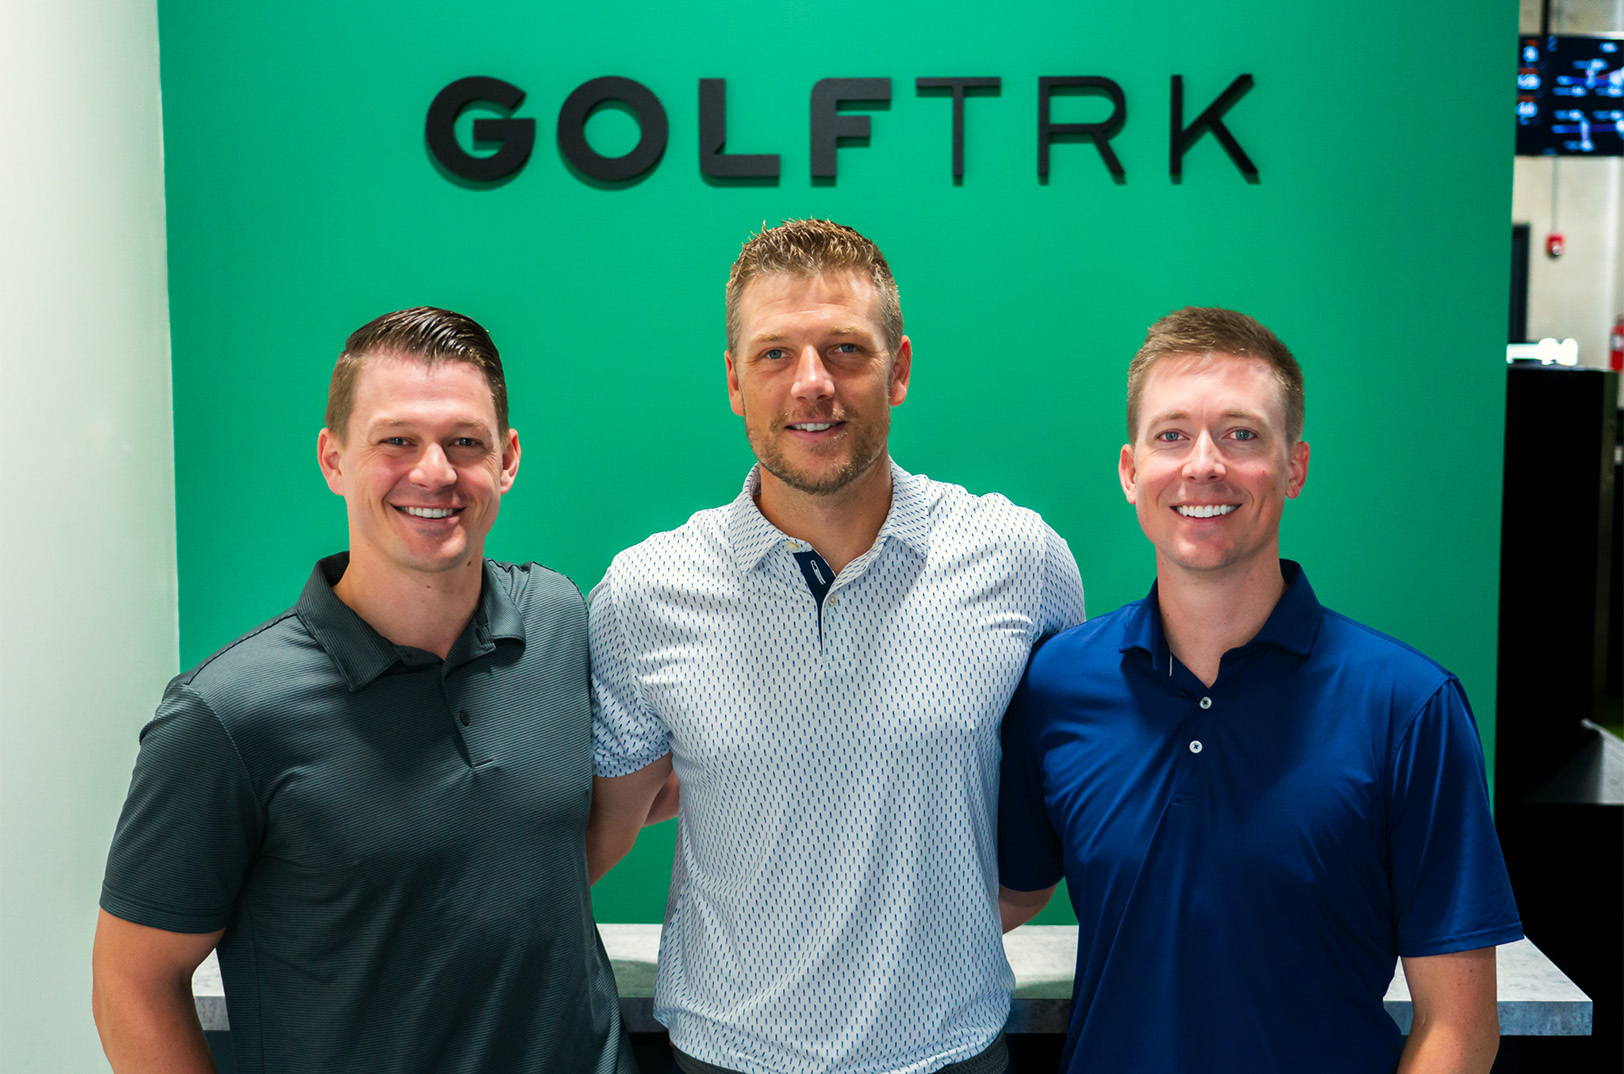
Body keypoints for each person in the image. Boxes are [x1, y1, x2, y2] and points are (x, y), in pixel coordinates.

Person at [586, 219, 1086, 1074]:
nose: (812, 384)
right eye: (775, 354)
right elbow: (600, 831)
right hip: (723, 1057)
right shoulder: (644, 592)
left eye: (846, 349)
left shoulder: (1020, 559)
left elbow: (1054, 814)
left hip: (950, 1055)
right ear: (735, 383)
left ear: (899, 370)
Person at [92, 307, 633, 1074]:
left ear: (507, 460)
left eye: (465, 442)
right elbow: (131, 982)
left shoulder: (557, 619)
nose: (435, 472)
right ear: (334, 459)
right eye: (397, 441)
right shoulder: (226, 718)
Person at [997, 306, 1523, 1073]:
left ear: (1294, 466)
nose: (1203, 464)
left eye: (1241, 434)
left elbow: (1460, 1028)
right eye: (1171, 435)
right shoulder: (1057, 684)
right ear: (1130, 470)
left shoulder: (1410, 709)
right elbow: (1006, 895)